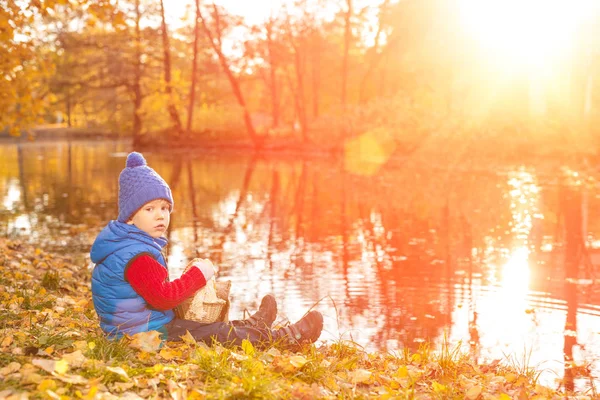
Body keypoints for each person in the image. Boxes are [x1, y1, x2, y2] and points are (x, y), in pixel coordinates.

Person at [90, 152, 323, 349]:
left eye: (164, 207)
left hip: (136, 325)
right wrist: (197, 276)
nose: (160, 215)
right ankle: (286, 338)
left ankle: (254, 326)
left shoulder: (126, 244)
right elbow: (164, 298)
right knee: (217, 334)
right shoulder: (138, 258)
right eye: (149, 209)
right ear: (130, 218)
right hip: (140, 334)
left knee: (207, 328)